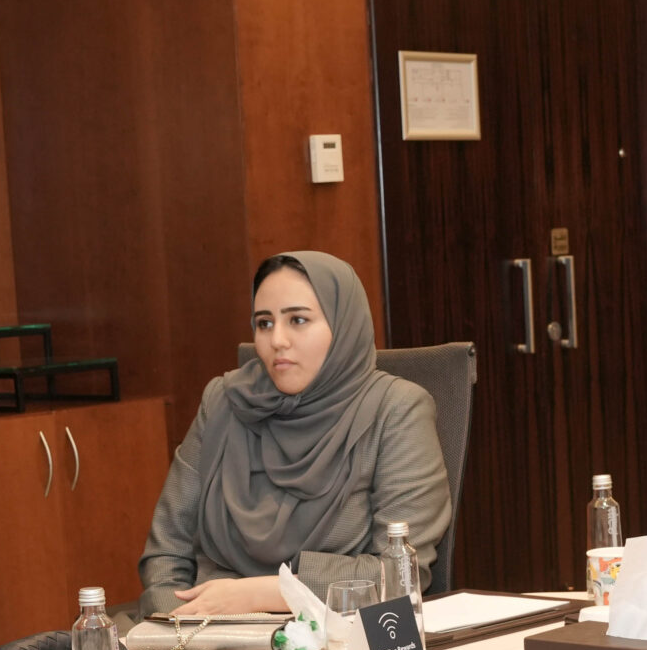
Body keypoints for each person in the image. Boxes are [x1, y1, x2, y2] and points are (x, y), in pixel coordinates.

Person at [141, 251, 450, 613]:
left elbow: (397, 575)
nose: (277, 340)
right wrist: (174, 624)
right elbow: (166, 553)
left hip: (338, 634)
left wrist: (262, 595)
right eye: (264, 323)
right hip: (209, 629)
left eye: (298, 320)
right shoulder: (224, 402)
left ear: (343, 326)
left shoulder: (396, 410)